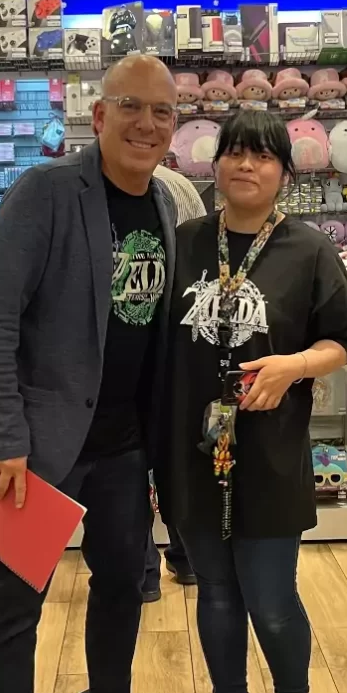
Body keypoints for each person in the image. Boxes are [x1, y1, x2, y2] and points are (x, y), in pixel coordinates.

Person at [0, 54, 181, 693]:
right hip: (36, 452)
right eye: (131, 106)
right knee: (15, 611)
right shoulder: (46, 193)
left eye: (162, 112)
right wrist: (4, 436)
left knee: (123, 587)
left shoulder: (166, 202)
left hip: (123, 448)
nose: (147, 124)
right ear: (98, 115)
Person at [164, 112, 347, 693]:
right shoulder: (186, 242)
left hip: (273, 455)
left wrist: (294, 366)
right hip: (196, 454)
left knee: (272, 599)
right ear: (214, 164)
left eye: (262, 155)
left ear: (284, 171)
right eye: (234, 152)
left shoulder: (310, 249)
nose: (246, 165)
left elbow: (343, 341)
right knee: (216, 595)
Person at [143, 165, 205, 597]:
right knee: (177, 455)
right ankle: (186, 559)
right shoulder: (182, 185)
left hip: (133, 348)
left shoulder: (121, 185)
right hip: (179, 342)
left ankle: (143, 571)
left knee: (134, 466)